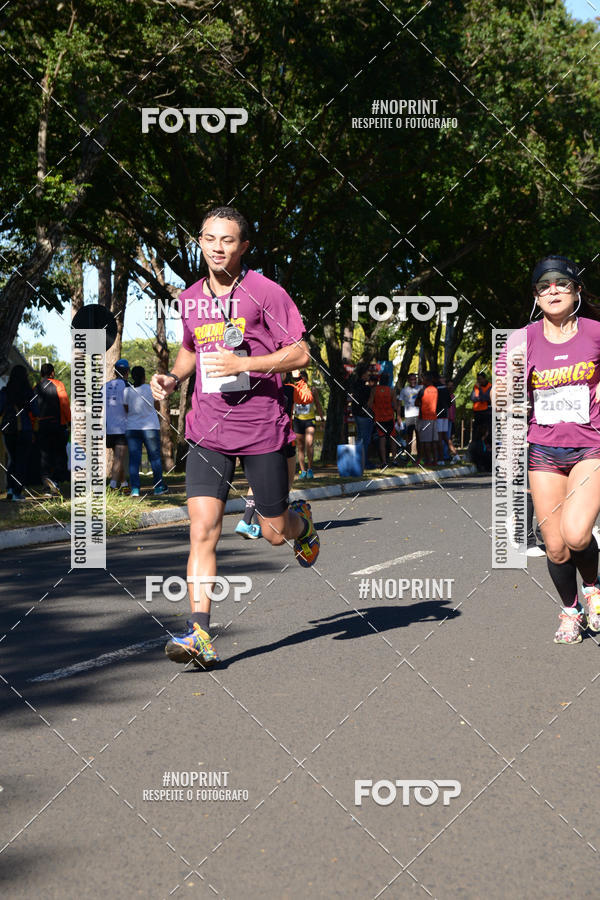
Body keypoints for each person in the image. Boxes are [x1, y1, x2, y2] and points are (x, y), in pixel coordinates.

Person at [150, 205, 319, 668]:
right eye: (209, 238)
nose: (218, 247)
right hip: (207, 429)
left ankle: (298, 523)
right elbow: (190, 349)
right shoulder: (189, 299)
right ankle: (199, 633)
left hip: (262, 427)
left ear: (244, 246)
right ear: (199, 242)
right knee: (202, 531)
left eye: (228, 240)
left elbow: (301, 352)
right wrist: (171, 379)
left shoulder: (265, 292)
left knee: (272, 532)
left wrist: (245, 364)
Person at [506, 254, 600, 644]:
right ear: (536, 296)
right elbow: (506, 394)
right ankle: (570, 610)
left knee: (577, 535)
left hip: (591, 448)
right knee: (557, 547)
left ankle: (593, 587)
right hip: (543, 450)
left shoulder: (596, 332)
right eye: (544, 286)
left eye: (562, 283)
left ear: (577, 289)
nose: (553, 291)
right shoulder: (521, 339)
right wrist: (509, 395)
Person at [236, 372, 297, 539]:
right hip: (285, 440)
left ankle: (247, 521)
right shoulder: (291, 389)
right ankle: (273, 523)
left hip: (262, 441)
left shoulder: (258, 389)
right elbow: (307, 398)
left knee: (257, 483)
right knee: (286, 483)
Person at [123, 366, 167, 498]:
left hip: (132, 428)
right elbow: (157, 406)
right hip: (150, 427)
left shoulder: (126, 391)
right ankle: (158, 487)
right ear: (144, 377)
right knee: (154, 458)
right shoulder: (150, 389)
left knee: (134, 460)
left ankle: (135, 489)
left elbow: (126, 409)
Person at [0, 365, 38, 501]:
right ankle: (17, 492)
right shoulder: (28, 392)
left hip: (8, 429)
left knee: (12, 460)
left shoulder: (5, 391)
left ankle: (10, 489)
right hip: (24, 429)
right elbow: (36, 411)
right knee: (21, 461)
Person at [34, 362, 71, 496]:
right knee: (59, 454)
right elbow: (64, 403)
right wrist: (69, 421)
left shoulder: (36, 387)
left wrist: (34, 424)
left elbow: (32, 408)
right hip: (57, 424)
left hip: (42, 425)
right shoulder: (58, 384)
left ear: (41, 373)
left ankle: (46, 485)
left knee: (44, 455)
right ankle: (55, 482)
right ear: (53, 373)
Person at [292, 369, 324, 479]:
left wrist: (322, 420)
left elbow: (318, 405)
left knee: (309, 443)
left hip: (310, 420)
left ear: (306, 379)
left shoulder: (312, 390)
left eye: (303, 379)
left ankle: (310, 469)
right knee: (300, 446)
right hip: (298, 420)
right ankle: (303, 471)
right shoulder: (294, 389)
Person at [106, 358, 130, 492]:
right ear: (127, 371)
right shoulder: (128, 386)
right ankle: (112, 486)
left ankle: (124, 484)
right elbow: (130, 407)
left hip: (109, 428)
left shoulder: (105, 386)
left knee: (118, 458)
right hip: (123, 428)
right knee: (119, 458)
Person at [348, 363, 374, 468]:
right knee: (365, 439)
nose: (369, 374)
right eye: (367, 373)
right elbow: (369, 402)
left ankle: (359, 460)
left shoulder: (355, 385)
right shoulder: (366, 388)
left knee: (360, 437)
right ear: (363, 374)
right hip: (364, 414)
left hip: (357, 413)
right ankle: (364, 462)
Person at [369, 371, 397, 467]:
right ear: (388, 380)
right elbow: (395, 406)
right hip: (389, 418)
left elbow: (369, 404)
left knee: (382, 439)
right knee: (392, 439)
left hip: (379, 419)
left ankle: (384, 462)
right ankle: (394, 460)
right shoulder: (391, 391)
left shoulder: (374, 390)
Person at [415, 372, 438, 466]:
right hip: (433, 417)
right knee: (434, 441)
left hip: (424, 417)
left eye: (423, 379)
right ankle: (435, 460)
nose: (422, 381)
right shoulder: (435, 390)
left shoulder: (423, 390)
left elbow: (416, 403)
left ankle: (428, 460)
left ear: (426, 380)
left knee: (425, 441)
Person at [397, 372, 421, 462]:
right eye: (411, 379)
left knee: (419, 437)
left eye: (415, 379)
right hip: (409, 417)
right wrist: (398, 416)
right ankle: (409, 458)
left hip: (418, 416)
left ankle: (420, 458)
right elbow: (399, 404)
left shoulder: (420, 388)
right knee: (409, 438)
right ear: (408, 380)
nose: (413, 381)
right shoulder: (404, 390)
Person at [471, 371, 492, 439]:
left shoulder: (490, 387)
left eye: (480, 379)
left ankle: (487, 445)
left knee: (487, 429)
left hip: (486, 412)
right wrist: (479, 398)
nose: (478, 381)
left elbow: (485, 398)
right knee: (476, 430)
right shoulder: (475, 386)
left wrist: (479, 391)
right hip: (477, 412)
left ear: (484, 378)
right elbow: (472, 398)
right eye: (477, 379)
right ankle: (476, 444)